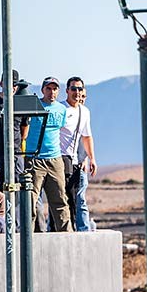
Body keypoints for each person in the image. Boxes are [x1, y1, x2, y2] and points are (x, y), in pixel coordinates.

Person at [26, 77, 70, 232]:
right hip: (35, 158)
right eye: (48, 89)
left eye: (55, 89)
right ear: (42, 90)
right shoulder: (34, 106)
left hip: (55, 159)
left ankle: (66, 234)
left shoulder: (61, 109)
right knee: (31, 200)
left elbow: (60, 129)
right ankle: (28, 235)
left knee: (60, 199)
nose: (52, 92)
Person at [59, 77, 96, 230]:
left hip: (75, 161)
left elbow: (87, 136)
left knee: (76, 198)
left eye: (80, 89)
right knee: (60, 197)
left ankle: (76, 229)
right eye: (73, 88)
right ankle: (57, 228)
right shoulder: (60, 109)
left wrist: (92, 158)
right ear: (67, 90)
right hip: (59, 159)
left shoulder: (84, 112)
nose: (77, 92)